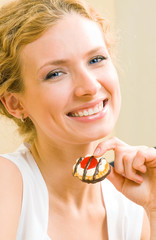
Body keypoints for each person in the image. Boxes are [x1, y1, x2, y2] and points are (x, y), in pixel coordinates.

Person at [0, 0, 156, 239]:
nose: (90, 87)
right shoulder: (7, 182)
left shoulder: (135, 209)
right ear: (14, 103)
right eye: (55, 74)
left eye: (96, 60)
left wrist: (154, 209)